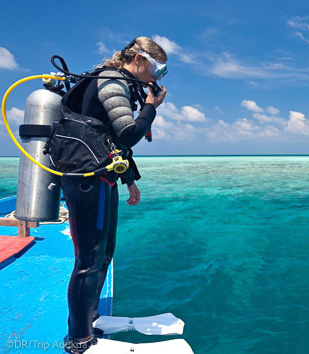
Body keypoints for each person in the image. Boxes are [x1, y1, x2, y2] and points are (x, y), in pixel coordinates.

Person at [60, 37, 167, 353]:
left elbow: (108, 139)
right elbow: (129, 133)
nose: (158, 78)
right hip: (85, 179)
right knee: (88, 261)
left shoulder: (122, 83)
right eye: (157, 69)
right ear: (138, 59)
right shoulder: (111, 81)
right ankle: (78, 339)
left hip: (103, 176)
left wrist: (129, 179)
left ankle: (91, 316)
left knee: (104, 252)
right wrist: (150, 107)